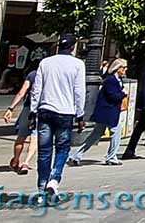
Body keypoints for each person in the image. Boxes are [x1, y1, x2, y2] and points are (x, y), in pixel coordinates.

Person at [29, 34, 85, 202]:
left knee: (44, 152)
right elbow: (79, 91)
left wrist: (32, 111)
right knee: (62, 148)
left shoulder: (45, 63)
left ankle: (41, 190)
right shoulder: (77, 64)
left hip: (45, 111)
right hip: (65, 112)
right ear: (73, 47)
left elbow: (36, 89)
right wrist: (80, 114)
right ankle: (54, 180)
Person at [68, 59, 127, 166]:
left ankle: (76, 155)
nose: (125, 70)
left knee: (96, 135)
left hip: (111, 111)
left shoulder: (118, 80)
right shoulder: (110, 80)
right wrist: (123, 94)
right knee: (115, 133)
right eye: (123, 68)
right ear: (117, 68)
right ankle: (111, 156)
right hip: (108, 111)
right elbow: (113, 95)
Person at [2, 61, 40, 175]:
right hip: (43, 109)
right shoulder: (51, 76)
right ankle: (26, 163)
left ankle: (16, 159)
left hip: (28, 109)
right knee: (35, 136)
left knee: (21, 136)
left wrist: (10, 108)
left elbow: (21, 93)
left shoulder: (33, 75)